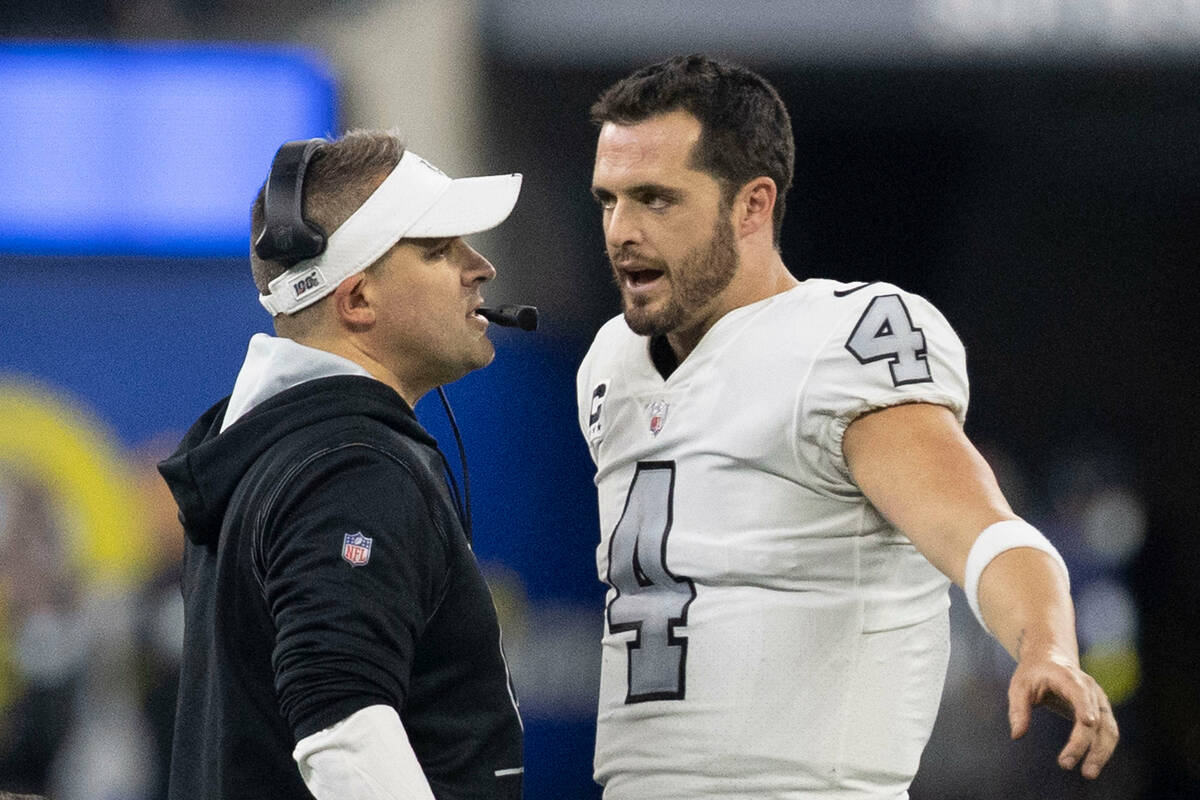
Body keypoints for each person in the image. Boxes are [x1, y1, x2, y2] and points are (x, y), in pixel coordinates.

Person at [575, 54, 1118, 798]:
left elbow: (981, 529)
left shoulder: (839, 343)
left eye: (656, 199)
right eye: (608, 200)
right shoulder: (611, 362)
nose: (621, 230)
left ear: (753, 205)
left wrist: (1046, 643)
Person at [158, 130, 524, 800]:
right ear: (357, 300)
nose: (482, 267)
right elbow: (342, 726)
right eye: (439, 250)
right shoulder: (352, 468)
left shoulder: (272, 452)